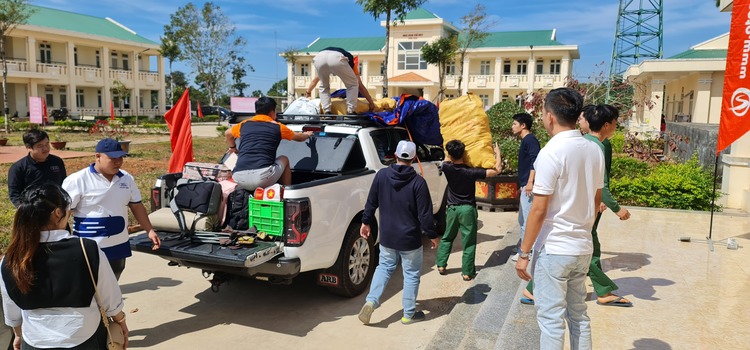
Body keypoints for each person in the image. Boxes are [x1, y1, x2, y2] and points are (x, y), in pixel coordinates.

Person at [515, 87, 604, 350]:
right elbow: (596, 202)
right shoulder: (593, 150)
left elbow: (539, 210)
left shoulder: (551, 152)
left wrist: (524, 253)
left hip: (555, 249)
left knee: (551, 320)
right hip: (582, 247)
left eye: (543, 113)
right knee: (579, 317)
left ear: (550, 116)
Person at [1, 183, 127, 349]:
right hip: (84, 336)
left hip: (34, 339)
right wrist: (121, 322)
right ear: (58, 213)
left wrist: (18, 334)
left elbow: (11, 306)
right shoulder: (86, 248)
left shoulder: (11, 258)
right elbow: (109, 295)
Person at [358, 140, 440, 325]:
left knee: (384, 268)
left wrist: (366, 222)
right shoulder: (418, 182)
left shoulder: (381, 175)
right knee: (411, 274)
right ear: (413, 158)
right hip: (410, 239)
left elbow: (371, 202)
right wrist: (432, 235)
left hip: (387, 236)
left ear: (395, 155)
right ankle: (408, 314)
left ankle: (371, 301)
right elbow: (425, 214)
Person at [62, 138, 161, 280]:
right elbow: (63, 213)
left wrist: (149, 230)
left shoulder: (126, 178)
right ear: (97, 156)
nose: (118, 162)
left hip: (118, 247)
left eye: (121, 157)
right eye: (113, 158)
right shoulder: (78, 180)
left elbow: (137, 206)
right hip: (89, 248)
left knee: (113, 284)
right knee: (89, 289)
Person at [579, 104, 633, 307]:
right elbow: (602, 183)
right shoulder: (597, 146)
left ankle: (603, 291)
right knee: (587, 248)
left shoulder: (586, 142)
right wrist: (617, 208)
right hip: (584, 207)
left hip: (583, 205)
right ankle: (603, 291)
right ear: (606, 124)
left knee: (588, 247)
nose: (617, 126)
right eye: (616, 123)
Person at [436, 140, 502, 281]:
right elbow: (497, 170)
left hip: (452, 209)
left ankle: (441, 265)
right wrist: (497, 153)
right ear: (464, 153)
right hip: (467, 209)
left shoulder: (447, 168)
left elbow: (447, 157)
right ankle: (467, 272)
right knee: (469, 241)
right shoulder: (471, 171)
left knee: (447, 237)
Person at [225, 96, 313, 191]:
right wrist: (308, 134)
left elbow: (227, 133)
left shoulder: (243, 124)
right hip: (262, 178)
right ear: (272, 112)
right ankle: (287, 192)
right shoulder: (278, 127)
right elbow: (300, 138)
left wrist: (233, 147)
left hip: (239, 177)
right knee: (284, 159)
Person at [305, 47, 375, 114]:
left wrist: (308, 93)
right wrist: (371, 102)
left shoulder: (327, 55)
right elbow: (360, 86)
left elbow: (315, 80)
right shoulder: (351, 63)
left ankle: (327, 112)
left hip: (319, 57)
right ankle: (350, 111)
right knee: (353, 85)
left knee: (324, 86)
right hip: (337, 58)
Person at [7, 129, 67, 208]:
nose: (45, 148)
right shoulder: (18, 168)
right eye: (40, 146)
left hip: (56, 208)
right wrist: (25, 210)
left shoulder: (57, 161)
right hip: (32, 210)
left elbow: (64, 184)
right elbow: (14, 194)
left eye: (46, 144)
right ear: (28, 147)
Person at [509, 113, 540, 262]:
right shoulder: (526, 140)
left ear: (523, 126)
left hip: (529, 185)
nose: (512, 126)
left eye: (515, 124)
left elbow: (535, 162)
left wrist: (530, 182)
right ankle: (525, 247)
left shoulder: (530, 140)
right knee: (522, 220)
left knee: (527, 220)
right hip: (525, 184)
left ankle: (527, 251)